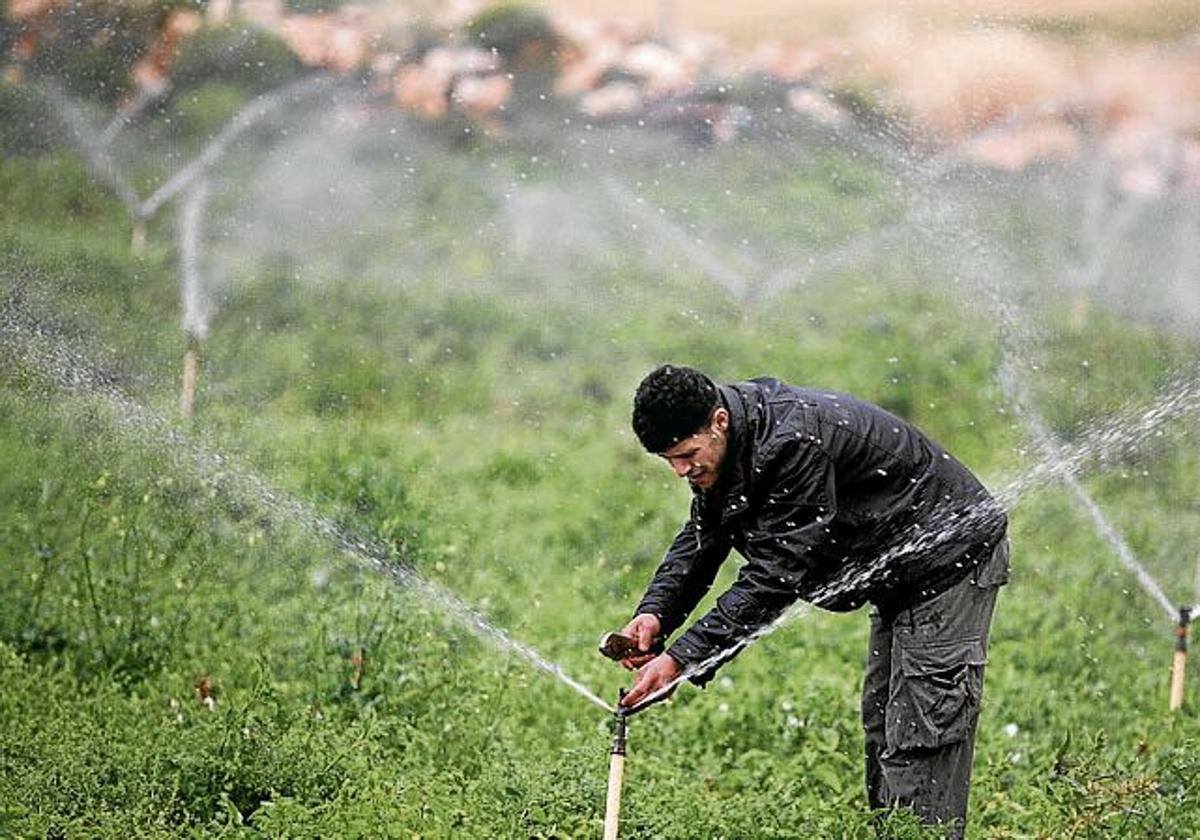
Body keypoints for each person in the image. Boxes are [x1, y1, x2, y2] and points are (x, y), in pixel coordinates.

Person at [613, 364, 1009, 838]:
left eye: (687, 454)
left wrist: (682, 659)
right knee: (884, 728)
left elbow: (779, 573)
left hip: (949, 564)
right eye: (668, 460)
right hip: (896, 577)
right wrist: (655, 613)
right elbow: (706, 535)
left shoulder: (793, 441)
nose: (681, 470)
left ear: (718, 421)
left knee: (921, 734)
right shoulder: (735, 443)